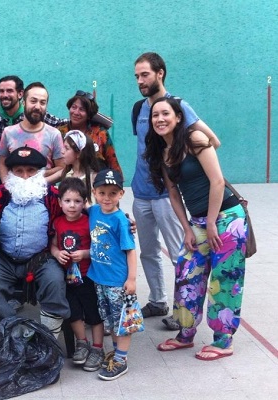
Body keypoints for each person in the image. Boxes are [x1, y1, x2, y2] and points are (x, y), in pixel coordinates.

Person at [144, 97, 247, 361]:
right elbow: (173, 193)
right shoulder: (162, 152)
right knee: (187, 272)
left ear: (178, 117)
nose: (160, 119)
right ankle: (185, 334)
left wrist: (211, 221)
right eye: (155, 115)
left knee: (224, 279)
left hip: (226, 218)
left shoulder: (195, 139)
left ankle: (223, 341)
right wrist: (187, 228)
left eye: (165, 113)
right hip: (199, 221)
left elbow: (217, 181)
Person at [131, 52, 221, 330]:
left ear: (160, 73)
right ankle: (157, 301)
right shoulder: (138, 108)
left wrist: (182, 163)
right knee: (148, 253)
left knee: (180, 255)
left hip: (166, 196)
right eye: (136, 76)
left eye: (145, 74)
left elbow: (212, 141)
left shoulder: (177, 105)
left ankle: (180, 311)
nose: (140, 80)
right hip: (140, 193)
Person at [0, 146, 70, 337]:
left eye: (31, 171)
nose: (25, 176)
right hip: (3, 257)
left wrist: (120, 220)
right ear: (10, 173)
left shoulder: (53, 196)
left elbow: (78, 214)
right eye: (19, 171)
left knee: (54, 281)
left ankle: (48, 337)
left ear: (39, 173)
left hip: (42, 258)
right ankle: (8, 331)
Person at [87, 169, 137, 381]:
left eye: (113, 193)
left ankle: (121, 360)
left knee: (122, 322)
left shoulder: (120, 220)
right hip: (100, 279)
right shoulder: (94, 212)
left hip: (118, 282)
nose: (107, 197)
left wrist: (131, 279)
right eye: (102, 192)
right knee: (110, 320)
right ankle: (117, 353)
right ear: (94, 192)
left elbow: (131, 250)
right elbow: (78, 204)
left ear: (121, 194)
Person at [50, 178, 104, 371]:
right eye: (67, 201)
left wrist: (85, 253)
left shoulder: (90, 222)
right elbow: (54, 244)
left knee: (93, 313)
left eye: (77, 201)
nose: (72, 206)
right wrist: (57, 253)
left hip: (89, 276)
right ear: (60, 202)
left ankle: (98, 348)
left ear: (85, 202)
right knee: (73, 313)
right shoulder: (58, 223)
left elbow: (100, 247)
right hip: (68, 279)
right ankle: (82, 343)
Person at [0, 82, 65, 183]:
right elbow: (2, 164)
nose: (37, 107)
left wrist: (39, 180)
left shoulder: (54, 134)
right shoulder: (9, 132)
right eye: (33, 101)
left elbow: (61, 168)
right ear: (24, 102)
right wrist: (7, 186)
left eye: (42, 102)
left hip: (44, 194)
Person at [58, 91, 122, 173]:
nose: (76, 112)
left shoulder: (100, 133)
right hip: (69, 183)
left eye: (82, 109)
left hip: (97, 183)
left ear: (89, 115)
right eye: (74, 107)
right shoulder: (60, 132)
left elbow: (113, 164)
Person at [47, 130, 101, 205]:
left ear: (79, 153)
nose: (62, 151)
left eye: (66, 148)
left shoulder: (94, 177)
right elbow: (42, 182)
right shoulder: (65, 172)